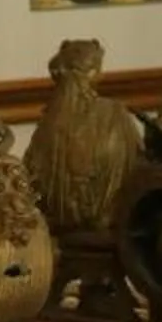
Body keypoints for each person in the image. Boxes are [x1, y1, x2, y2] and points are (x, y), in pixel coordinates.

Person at [25, 37, 142, 235]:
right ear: (94, 73)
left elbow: (30, 177)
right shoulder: (114, 114)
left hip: (59, 236)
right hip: (101, 235)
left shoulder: (46, 126)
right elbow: (138, 163)